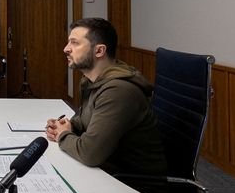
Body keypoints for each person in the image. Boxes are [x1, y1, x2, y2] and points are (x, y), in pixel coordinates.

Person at [45, 18, 167, 177]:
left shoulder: (118, 91)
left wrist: (62, 135)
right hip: (106, 171)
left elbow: (89, 153)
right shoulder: (93, 81)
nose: (66, 49)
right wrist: (67, 125)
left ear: (99, 51)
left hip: (132, 187)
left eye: (74, 43)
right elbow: (85, 120)